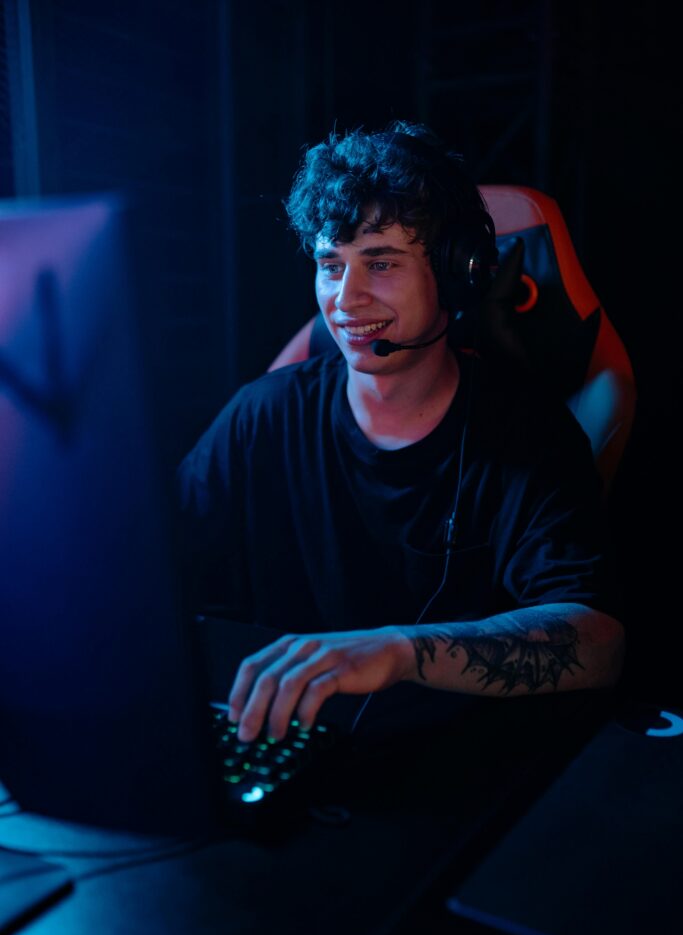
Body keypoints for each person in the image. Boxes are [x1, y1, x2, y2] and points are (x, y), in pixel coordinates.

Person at [177, 120, 625, 745]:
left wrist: (399, 652)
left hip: (454, 770)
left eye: (380, 263)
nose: (345, 299)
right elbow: (164, 567)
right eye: (331, 266)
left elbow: (597, 643)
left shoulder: (527, 430)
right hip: (287, 746)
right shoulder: (263, 415)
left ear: (453, 275)